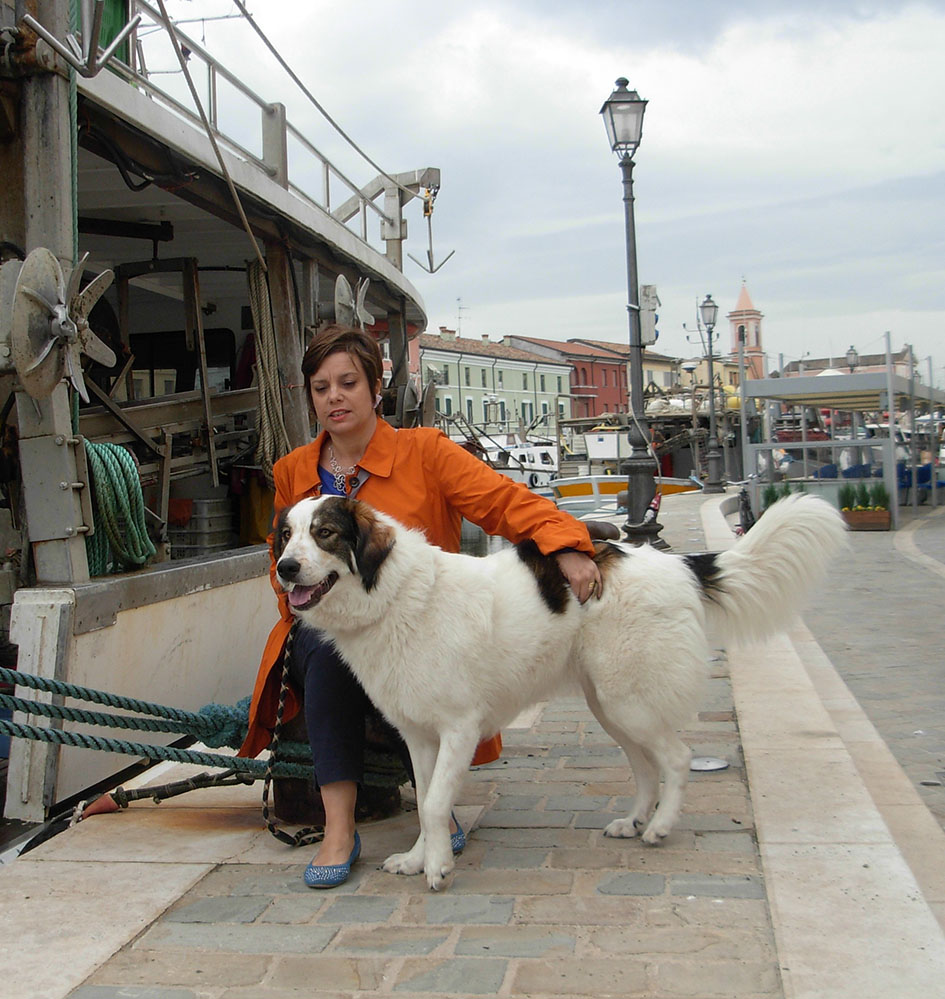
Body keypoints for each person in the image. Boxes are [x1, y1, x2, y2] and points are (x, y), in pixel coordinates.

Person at [239, 325, 602, 887]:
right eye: (320, 387)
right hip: (339, 635)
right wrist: (307, 602)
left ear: (375, 387)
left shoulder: (425, 452)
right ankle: (339, 829)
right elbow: (282, 561)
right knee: (320, 645)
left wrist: (568, 544)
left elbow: (504, 503)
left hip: (429, 634)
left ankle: (439, 813)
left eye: (347, 382)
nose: (334, 396)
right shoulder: (293, 471)